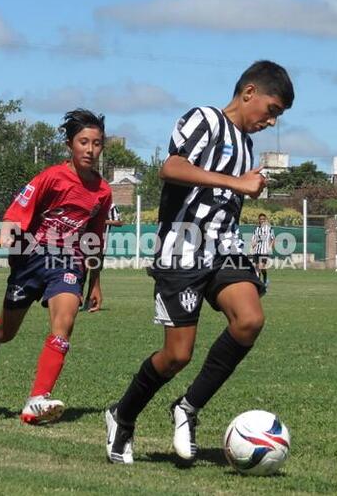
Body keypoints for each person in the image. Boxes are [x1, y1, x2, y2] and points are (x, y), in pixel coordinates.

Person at [104, 60, 294, 465]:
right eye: (272, 110)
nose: (271, 121)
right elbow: (171, 167)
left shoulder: (245, 146)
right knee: (177, 356)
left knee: (249, 320)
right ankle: (122, 415)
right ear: (249, 92)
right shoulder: (204, 119)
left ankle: (187, 407)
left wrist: (245, 188)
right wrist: (237, 182)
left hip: (223, 249)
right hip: (181, 250)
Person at [0, 108, 113, 425]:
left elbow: (94, 238)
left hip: (68, 261)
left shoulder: (103, 192)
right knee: (8, 332)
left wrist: (95, 281)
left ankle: (37, 400)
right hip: (31, 259)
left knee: (64, 323)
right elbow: (18, 210)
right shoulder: (51, 177)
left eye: (97, 143)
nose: (90, 150)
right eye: (83, 142)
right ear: (69, 145)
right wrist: (8, 235)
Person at [82, 202, 123, 310]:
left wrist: (100, 221)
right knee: (82, 270)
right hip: (83, 240)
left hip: (100, 243)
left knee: (94, 273)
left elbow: (119, 222)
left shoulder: (110, 205)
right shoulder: (86, 201)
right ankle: (77, 298)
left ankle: (89, 301)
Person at [250, 213, 275, 286]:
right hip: (256, 251)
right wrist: (252, 245)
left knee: (261, 267)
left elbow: (273, 238)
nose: (262, 220)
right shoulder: (256, 229)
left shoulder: (269, 228)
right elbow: (253, 239)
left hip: (265, 251)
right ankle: (259, 283)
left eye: (263, 219)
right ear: (259, 220)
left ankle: (264, 280)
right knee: (257, 268)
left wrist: (271, 247)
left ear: (265, 220)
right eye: (261, 219)